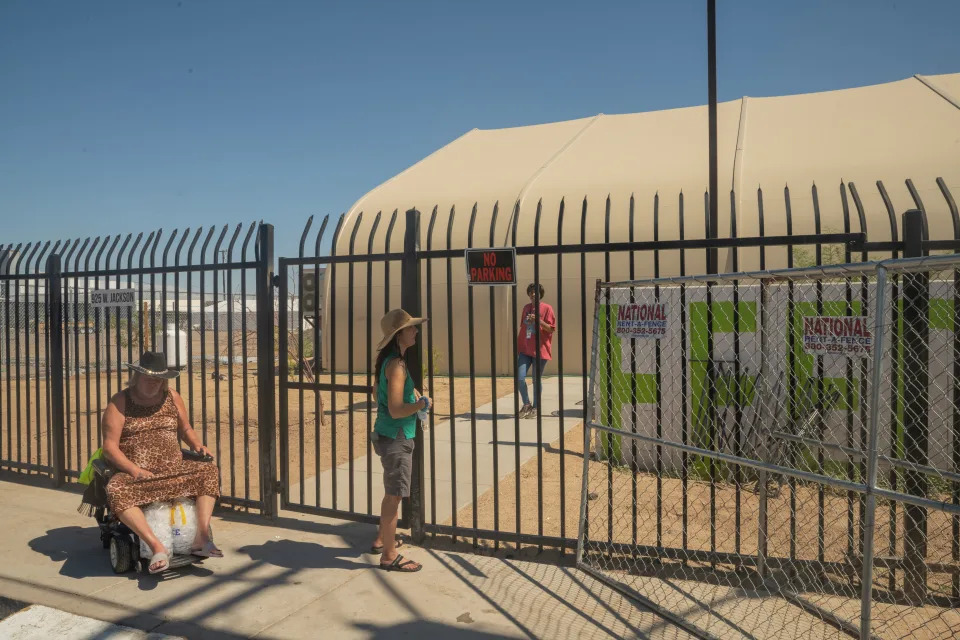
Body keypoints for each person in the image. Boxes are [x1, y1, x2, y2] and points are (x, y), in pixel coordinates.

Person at [101, 351, 222, 574]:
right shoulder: (120, 401)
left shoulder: (172, 397)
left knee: (208, 470)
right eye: (149, 378)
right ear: (137, 377)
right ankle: (157, 546)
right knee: (116, 489)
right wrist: (134, 470)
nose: (154, 383)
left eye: (158, 379)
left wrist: (196, 444)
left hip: (174, 468)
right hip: (138, 472)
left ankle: (201, 537)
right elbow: (109, 447)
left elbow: (184, 428)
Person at [370, 309, 429, 573]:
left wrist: (411, 395)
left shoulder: (391, 363)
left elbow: (379, 398)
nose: (415, 331)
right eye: (411, 328)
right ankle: (389, 555)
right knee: (394, 496)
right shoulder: (396, 365)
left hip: (390, 435)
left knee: (391, 492)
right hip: (397, 437)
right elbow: (395, 409)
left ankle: (383, 539)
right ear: (399, 335)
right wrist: (419, 405)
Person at [516, 283, 556, 418]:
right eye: (531, 292)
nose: (533, 294)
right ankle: (526, 404)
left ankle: (536, 407)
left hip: (540, 350)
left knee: (535, 379)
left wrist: (538, 320)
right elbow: (523, 327)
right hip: (524, 349)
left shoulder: (547, 308)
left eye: (536, 292)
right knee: (520, 377)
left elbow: (551, 329)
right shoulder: (526, 308)